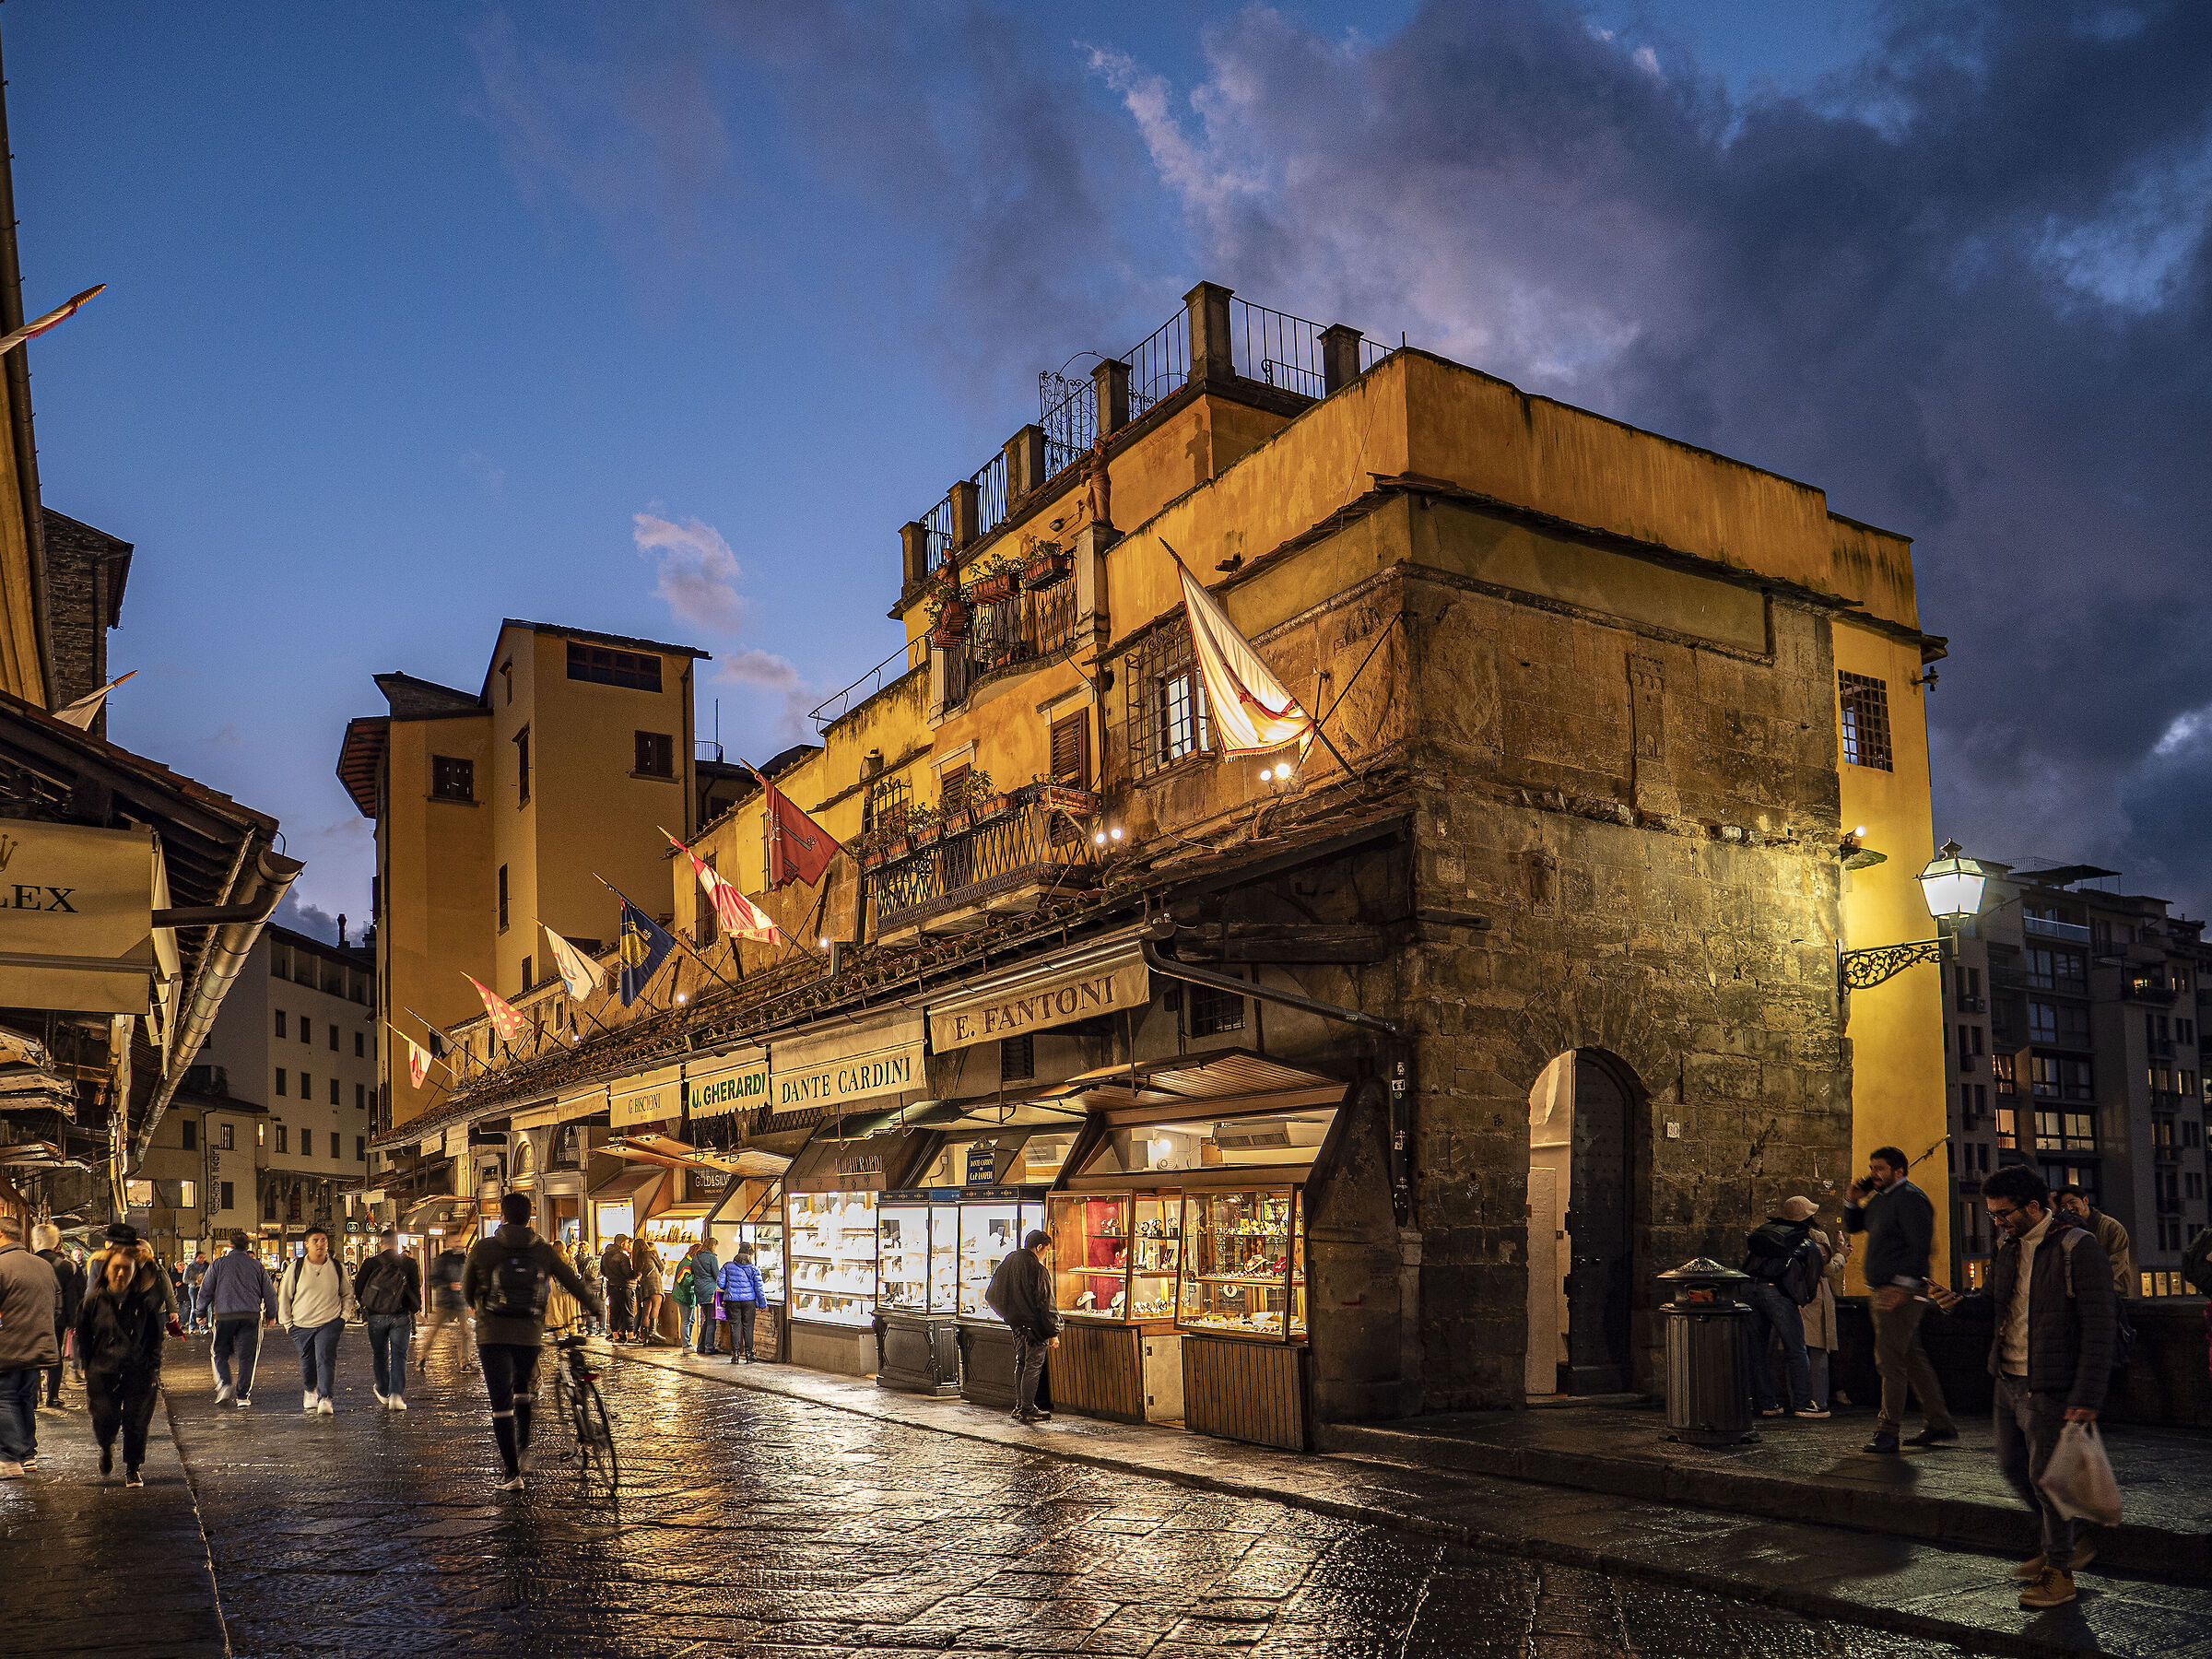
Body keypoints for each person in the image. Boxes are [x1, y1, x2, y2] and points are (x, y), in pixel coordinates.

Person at [1931, 1164, 2115, 1610]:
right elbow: (1995, 1304)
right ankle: (2070, 1541)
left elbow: (2100, 1325)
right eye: (1993, 1215)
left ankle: (2060, 1572)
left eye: (2003, 1213)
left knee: (2047, 1478)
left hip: (2050, 1381)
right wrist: (1957, 1305)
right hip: (2008, 1376)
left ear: (2035, 1206)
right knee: (2013, 1465)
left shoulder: (2077, 1246)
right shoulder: (2008, 1246)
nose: (1998, 1222)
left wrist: (2086, 1396)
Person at [464, 1193, 604, 1491]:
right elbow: (571, 1280)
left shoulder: (483, 1248)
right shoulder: (542, 1250)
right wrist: (594, 1305)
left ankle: (511, 1474)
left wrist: (477, 1303)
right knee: (522, 1389)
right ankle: (524, 1446)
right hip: (528, 1332)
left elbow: (467, 1290)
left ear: (502, 1215)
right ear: (529, 1217)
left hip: (492, 1334)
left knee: (500, 1402)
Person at [1844, 1146, 1956, 1453]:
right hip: (1884, 1289)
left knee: (1889, 1359)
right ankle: (1939, 1423)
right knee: (1910, 1357)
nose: (1873, 1174)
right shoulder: (1882, 1200)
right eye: (1872, 1168)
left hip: (1899, 1291)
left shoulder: (1911, 1199)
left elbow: (1919, 1245)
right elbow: (1856, 1226)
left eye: (1880, 1168)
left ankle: (1888, 1429)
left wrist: (1903, 1286)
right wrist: (1852, 1201)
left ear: (1899, 1171)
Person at [76, 1228, 168, 1487]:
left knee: (136, 1420)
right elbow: (83, 1336)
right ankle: (106, 1447)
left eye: (126, 1269)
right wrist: (89, 1365)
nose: (120, 1273)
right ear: (106, 1269)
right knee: (104, 1417)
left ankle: (133, 1467)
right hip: (103, 1369)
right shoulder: (93, 1303)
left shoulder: (143, 1302)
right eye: (115, 1268)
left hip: (138, 1368)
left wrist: (153, 1365)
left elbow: (154, 1336)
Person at [1740, 1196, 1824, 1418]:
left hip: (1749, 1289)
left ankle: (1766, 1403)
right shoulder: (1806, 1243)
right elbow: (1812, 1278)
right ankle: (1803, 1403)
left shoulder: (1768, 1235)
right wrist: (1802, 1298)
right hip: (1777, 1293)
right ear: (1808, 1218)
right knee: (1796, 1348)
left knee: (1757, 1349)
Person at [0, 1214, 60, 1477]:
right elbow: (57, 1307)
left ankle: (8, 1457)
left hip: (9, 1347)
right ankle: (27, 1454)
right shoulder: (42, 1266)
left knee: (5, 1398)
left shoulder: (1, 1265)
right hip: (39, 1345)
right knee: (24, 1398)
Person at [983, 1228, 1060, 1425]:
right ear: (1039, 1247)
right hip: (1035, 1328)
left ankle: (1020, 1406)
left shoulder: (1010, 1261)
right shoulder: (1037, 1269)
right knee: (1032, 1366)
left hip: (1017, 1326)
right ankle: (1027, 1408)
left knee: (1022, 1364)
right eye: (1046, 1251)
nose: (1046, 1256)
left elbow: (991, 1295)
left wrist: (1009, 1316)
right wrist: (1052, 1332)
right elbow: (1045, 1303)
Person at [277, 1225, 356, 1415]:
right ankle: (310, 1390)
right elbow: (284, 1296)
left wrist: (343, 1317)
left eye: (324, 1240)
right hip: (301, 1323)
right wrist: (288, 1324)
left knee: (325, 1357)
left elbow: (347, 1294)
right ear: (306, 1245)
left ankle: (325, 1397)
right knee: (307, 1360)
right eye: (315, 1241)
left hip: (329, 1322)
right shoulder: (296, 1268)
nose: (320, 1244)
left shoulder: (337, 1267)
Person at [199, 1230, 277, 1406]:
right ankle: (243, 1396)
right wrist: (271, 1314)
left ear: (230, 1245)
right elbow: (269, 1292)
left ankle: (225, 1382)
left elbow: (206, 1289)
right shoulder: (257, 1265)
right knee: (248, 1357)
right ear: (248, 1247)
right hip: (250, 1316)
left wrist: (200, 1312)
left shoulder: (218, 1264)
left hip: (225, 1315)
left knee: (219, 1352)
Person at [353, 1228, 421, 1410]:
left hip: (376, 1316)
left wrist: (368, 1308)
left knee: (380, 1354)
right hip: (400, 1316)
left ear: (380, 1243)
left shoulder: (370, 1263)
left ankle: (383, 1390)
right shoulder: (409, 1263)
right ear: (396, 1243)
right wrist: (413, 1307)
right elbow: (415, 1288)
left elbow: (359, 1289)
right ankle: (397, 1396)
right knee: (400, 1355)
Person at [33, 1224, 84, 1411]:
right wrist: (74, 1321)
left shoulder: (28, 1262)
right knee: (55, 1356)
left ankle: (34, 1396)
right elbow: (76, 1296)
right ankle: (53, 1396)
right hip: (58, 1319)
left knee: (33, 1356)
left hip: (32, 1318)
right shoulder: (68, 1266)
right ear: (56, 1243)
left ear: (36, 1242)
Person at [1801, 1219, 1846, 1416]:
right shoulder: (1817, 1237)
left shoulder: (1787, 1236)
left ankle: (1800, 1399)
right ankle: (1819, 1401)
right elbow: (1826, 1269)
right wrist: (1842, 1255)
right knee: (1819, 1350)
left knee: (1796, 1351)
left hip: (1794, 1296)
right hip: (1816, 1297)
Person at [2053, 1188, 2135, 1298]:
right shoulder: (2067, 1230)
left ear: (2085, 1200)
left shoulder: (2111, 1227)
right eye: (2063, 1205)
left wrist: (2090, 1283)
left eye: (2072, 1202)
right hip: (2083, 1295)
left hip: (2113, 1293)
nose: (2069, 1208)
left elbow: (2118, 1262)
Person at [418, 1240, 475, 1372]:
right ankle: (422, 1357)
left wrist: (470, 1299)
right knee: (434, 1332)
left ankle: (465, 1362)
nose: (458, 1241)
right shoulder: (444, 1259)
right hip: (445, 1302)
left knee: (466, 1332)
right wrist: (448, 1285)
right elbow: (434, 1278)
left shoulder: (465, 1259)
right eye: (456, 1238)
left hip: (460, 1301)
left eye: (460, 1239)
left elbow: (469, 1280)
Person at [719, 1246, 767, 1364]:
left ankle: (735, 1355)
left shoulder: (727, 1266)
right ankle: (749, 1355)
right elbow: (759, 1288)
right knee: (748, 1327)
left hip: (732, 1301)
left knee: (735, 1327)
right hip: (749, 1301)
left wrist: (730, 1288)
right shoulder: (754, 1269)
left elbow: (720, 1283)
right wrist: (762, 1303)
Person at [680, 1239, 720, 1354]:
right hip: (710, 1291)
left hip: (699, 1291)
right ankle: (709, 1347)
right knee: (712, 1320)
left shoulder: (696, 1257)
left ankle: (701, 1346)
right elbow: (716, 1275)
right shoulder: (712, 1258)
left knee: (706, 1319)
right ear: (712, 1246)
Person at [599, 1237, 635, 1341]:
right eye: (627, 1242)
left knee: (614, 1311)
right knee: (628, 1310)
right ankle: (630, 1335)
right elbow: (628, 1273)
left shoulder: (605, 1256)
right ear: (622, 1243)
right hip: (624, 1286)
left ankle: (615, 1334)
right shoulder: (622, 1257)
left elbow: (603, 1271)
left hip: (611, 1286)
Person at [632, 1238, 665, 1346]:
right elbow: (661, 1267)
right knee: (656, 1306)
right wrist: (664, 1261)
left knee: (646, 1311)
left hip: (644, 1284)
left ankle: (644, 1336)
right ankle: (653, 1331)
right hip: (654, 1282)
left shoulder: (637, 1258)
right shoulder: (649, 1253)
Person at [184, 1253, 210, 1333]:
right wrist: (195, 1282)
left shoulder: (207, 1266)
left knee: (204, 1307)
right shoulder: (190, 1267)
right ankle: (192, 1327)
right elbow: (185, 1279)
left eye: (204, 1257)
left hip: (204, 1288)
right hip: (193, 1288)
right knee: (194, 1307)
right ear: (196, 1258)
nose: (203, 1259)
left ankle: (203, 1327)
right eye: (201, 1257)